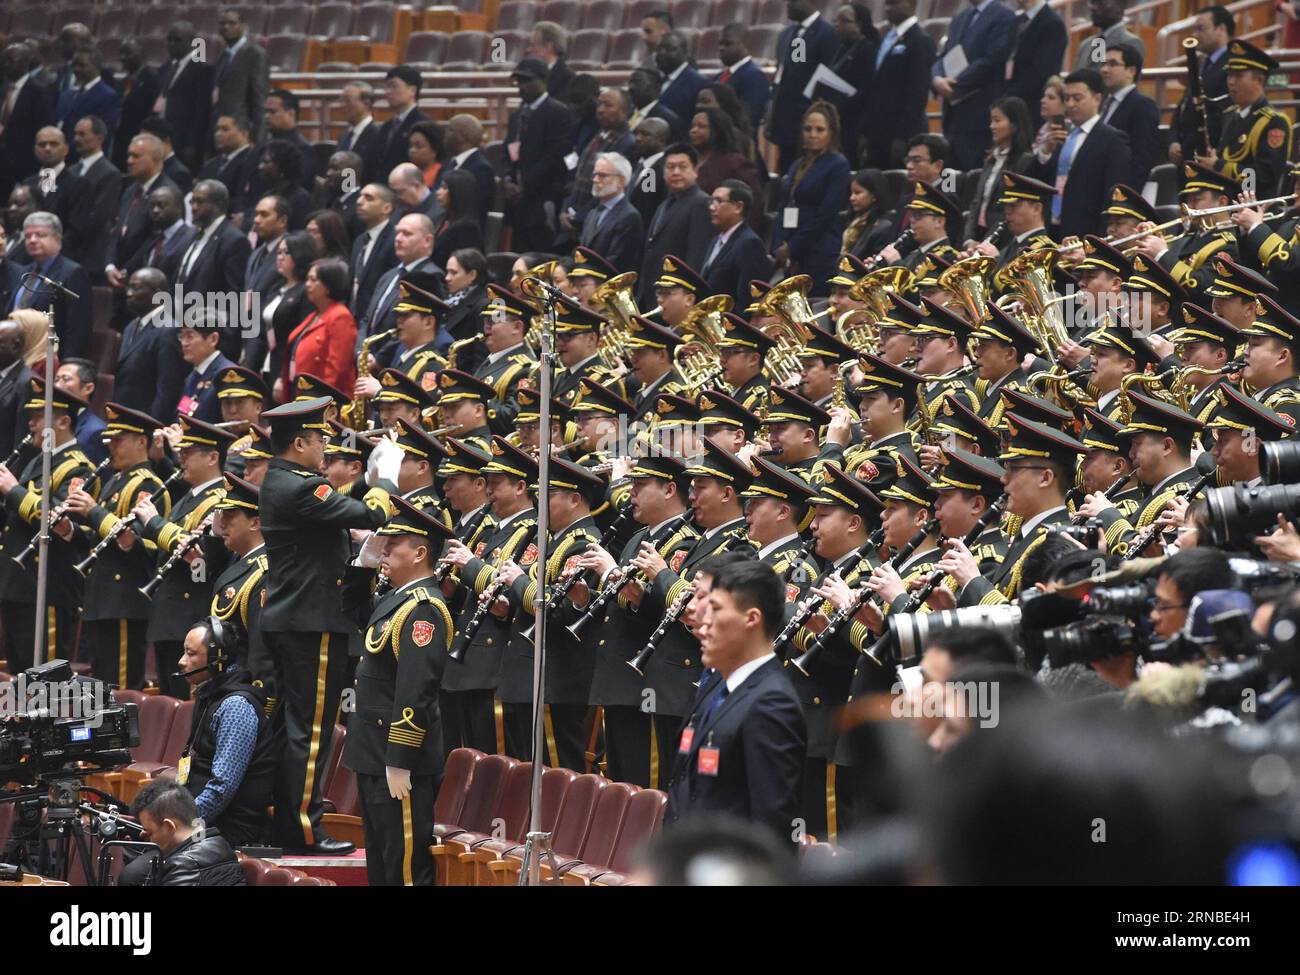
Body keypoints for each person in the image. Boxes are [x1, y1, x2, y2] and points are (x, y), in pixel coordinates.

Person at [258, 394, 401, 853]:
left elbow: (336, 511)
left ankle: (288, 824)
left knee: (291, 726)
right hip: (312, 622)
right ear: (299, 442)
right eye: (319, 438)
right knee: (311, 729)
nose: (324, 447)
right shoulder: (301, 486)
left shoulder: (283, 480)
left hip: (293, 619)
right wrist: (384, 475)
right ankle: (303, 829)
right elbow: (371, 514)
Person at [342, 498, 455, 885]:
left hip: (397, 758)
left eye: (394, 545)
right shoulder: (398, 597)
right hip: (373, 752)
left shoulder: (424, 609)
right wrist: (363, 564)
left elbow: (416, 690)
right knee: (381, 862)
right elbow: (355, 612)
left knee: (404, 866)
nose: (385, 550)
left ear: (421, 552)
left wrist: (400, 758)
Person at [665, 558, 806, 840]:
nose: (703, 621)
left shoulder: (772, 703)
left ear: (751, 619)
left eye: (715, 610)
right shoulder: (717, 682)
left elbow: (769, 826)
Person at [62, 404, 170, 689]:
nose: (112, 447)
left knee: (121, 693)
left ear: (141, 442)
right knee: (102, 689)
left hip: (125, 600)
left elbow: (140, 547)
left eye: (119, 440)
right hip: (101, 598)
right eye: (110, 440)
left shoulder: (148, 484)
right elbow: (100, 541)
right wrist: (68, 529)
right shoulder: (116, 481)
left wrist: (94, 511)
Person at [0, 378, 98, 672]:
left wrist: (13, 490)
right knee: (20, 677)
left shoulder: (79, 467)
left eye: (38, 417)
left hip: (47, 585)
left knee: (46, 679)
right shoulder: (37, 461)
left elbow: (58, 519)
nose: (30, 424)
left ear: (64, 421)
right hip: (17, 584)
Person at [173, 616, 277, 846]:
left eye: (191, 654)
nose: (181, 661)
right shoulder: (209, 695)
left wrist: (181, 825)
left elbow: (222, 788)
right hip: (207, 821)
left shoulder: (236, 707)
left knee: (138, 870)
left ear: (216, 659)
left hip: (228, 829)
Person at [1029, 68, 1130, 241]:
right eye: (1067, 98)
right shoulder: (1062, 135)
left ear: (1097, 99)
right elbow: (1039, 181)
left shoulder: (1112, 139)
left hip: (1086, 231)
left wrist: (1100, 238)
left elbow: (1113, 194)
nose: (1070, 104)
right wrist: (1045, 152)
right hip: (1051, 226)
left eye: (1077, 98)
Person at [772, 101, 851, 297]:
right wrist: (779, 243)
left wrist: (792, 247)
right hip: (792, 252)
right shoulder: (796, 164)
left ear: (831, 133)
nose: (812, 134)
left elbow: (825, 215)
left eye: (819, 130)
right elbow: (783, 206)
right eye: (808, 129)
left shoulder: (838, 165)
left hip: (819, 253)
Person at [929, 0, 1016, 172]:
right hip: (952, 120)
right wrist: (937, 79)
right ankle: (949, 199)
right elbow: (944, 56)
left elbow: (993, 59)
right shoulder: (960, 17)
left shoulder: (1003, 16)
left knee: (972, 180)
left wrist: (955, 85)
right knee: (950, 182)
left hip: (978, 119)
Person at [502, 59, 576, 253]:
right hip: (518, 205)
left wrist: (525, 185)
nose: (521, 87)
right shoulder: (517, 116)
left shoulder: (558, 112)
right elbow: (509, 150)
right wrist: (508, 179)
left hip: (544, 199)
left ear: (543, 81)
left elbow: (556, 156)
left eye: (527, 81)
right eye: (518, 82)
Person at [1202, 40, 1292, 198]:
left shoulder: (1273, 122)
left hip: (1254, 207)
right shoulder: (1230, 114)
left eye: (1238, 76)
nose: (1231, 82)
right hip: (1225, 203)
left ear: (1260, 81)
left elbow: (1265, 178)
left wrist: (1219, 166)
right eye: (1229, 75)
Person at [128, 780, 245, 886]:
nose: (147, 838)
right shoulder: (221, 844)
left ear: (169, 826)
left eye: (150, 833)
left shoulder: (185, 866)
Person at [768, 0, 839, 174]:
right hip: (786, 121)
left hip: (810, 120)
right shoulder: (788, 34)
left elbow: (827, 78)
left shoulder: (827, 33)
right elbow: (788, 73)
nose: (788, 5)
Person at [9, 211, 92, 358]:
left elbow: (77, 327)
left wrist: (67, 363)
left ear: (57, 238)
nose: (32, 240)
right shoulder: (24, 272)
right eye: (28, 236)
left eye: (40, 235)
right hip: (15, 355)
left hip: (49, 357)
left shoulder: (72, 272)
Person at [638, 144, 712, 307]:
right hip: (653, 293)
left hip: (677, 298)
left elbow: (697, 254)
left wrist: (686, 295)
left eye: (682, 167)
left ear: (695, 170)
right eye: (670, 167)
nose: (676, 172)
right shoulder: (664, 204)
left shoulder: (701, 203)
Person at [114, 268, 188, 422]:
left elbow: (167, 390)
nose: (129, 293)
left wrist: (152, 427)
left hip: (145, 425)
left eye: (136, 287)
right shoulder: (131, 326)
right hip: (124, 417)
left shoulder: (168, 329)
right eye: (129, 287)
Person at [963, 97, 1035, 244]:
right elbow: (976, 203)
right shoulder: (990, 160)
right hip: (979, 235)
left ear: (1014, 125)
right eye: (991, 121)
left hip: (1002, 240)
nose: (991, 126)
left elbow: (1009, 210)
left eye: (997, 120)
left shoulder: (1024, 161)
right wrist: (969, 239)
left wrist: (987, 242)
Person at [283, 258, 358, 396]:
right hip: (301, 393)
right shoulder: (314, 315)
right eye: (307, 279)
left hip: (324, 401)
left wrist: (320, 402)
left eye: (313, 280)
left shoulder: (340, 317)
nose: (307, 284)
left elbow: (336, 369)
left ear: (328, 285)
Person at [817, 4, 879, 167]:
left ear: (859, 25)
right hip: (837, 119)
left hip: (855, 123)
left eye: (844, 21)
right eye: (835, 20)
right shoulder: (842, 48)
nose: (837, 25)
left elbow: (866, 89)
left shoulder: (867, 49)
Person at [1169, 6, 1233, 166]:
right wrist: (1174, 141)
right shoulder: (1200, 63)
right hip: (1187, 156)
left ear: (1221, 28)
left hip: (1210, 157)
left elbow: (1222, 113)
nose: (1195, 35)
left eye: (1201, 29)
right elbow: (1184, 105)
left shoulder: (1234, 64)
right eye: (1194, 29)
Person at [700, 180, 771, 310]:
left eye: (719, 201)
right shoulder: (715, 240)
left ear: (738, 207)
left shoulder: (749, 244)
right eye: (711, 201)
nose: (711, 207)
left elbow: (748, 300)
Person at [1099, 43, 1161, 191]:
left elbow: (1141, 160)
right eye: (1104, 64)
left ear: (1131, 70)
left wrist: (1124, 198)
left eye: (1112, 64)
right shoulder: (1104, 103)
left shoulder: (1142, 105)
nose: (1104, 69)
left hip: (1120, 194)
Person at [153, 24, 213, 172]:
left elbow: (201, 110)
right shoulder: (165, 68)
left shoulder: (201, 69)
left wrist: (192, 144)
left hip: (183, 138)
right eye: (169, 40)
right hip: (161, 135)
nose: (171, 44)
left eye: (177, 40)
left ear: (192, 42)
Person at [1005, 0, 1069, 130]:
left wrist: (1008, 96)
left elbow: (1041, 73)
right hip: (1011, 107)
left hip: (1033, 110)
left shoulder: (1053, 24)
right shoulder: (1017, 21)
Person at [578, 153, 643, 275]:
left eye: (602, 175)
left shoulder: (629, 216)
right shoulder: (592, 213)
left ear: (621, 181)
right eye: (595, 174)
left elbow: (617, 262)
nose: (595, 180)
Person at [688, 107, 763, 211]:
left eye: (701, 126)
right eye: (692, 126)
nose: (693, 130)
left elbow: (754, 203)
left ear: (716, 130)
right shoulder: (688, 162)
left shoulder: (735, 163)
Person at [213, 8, 270, 142]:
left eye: (232, 23)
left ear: (244, 27)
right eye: (222, 23)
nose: (226, 27)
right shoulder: (223, 55)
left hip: (242, 132)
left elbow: (260, 99)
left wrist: (259, 139)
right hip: (222, 129)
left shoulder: (255, 54)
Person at [714, 24, 772, 133]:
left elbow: (749, 119)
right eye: (720, 44)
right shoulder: (718, 77)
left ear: (746, 45)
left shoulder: (754, 77)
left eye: (728, 43)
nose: (721, 48)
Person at [53, 357, 108, 464]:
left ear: (88, 388)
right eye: (56, 380)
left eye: (66, 379)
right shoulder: (51, 420)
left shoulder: (96, 432)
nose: (57, 386)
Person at [431, 170, 482, 271]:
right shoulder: (442, 218)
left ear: (457, 192)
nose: (438, 192)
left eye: (444, 188)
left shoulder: (468, 229)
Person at [1072, 0, 1145, 70]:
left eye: (1100, 2)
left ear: (1120, 5)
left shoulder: (1131, 43)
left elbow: (1129, 81)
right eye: (1092, 1)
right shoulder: (1085, 45)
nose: (1092, 7)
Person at [654, 31, 707, 127]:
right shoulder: (653, 80)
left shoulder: (699, 83)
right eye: (658, 49)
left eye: (668, 49)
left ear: (685, 52)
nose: (661, 53)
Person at [843, 169, 896, 259]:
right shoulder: (853, 222)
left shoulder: (883, 228)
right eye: (851, 193)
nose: (852, 198)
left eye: (857, 193)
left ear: (874, 195)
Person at [528, 20, 575, 103]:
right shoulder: (532, 76)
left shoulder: (568, 78)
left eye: (533, 45)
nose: (529, 50)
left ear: (548, 47)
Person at [406, 119, 444, 190]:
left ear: (434, 150)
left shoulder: (441, 176)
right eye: (410, 146)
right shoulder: (407, 174)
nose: (412, 150)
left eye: (418, 146)